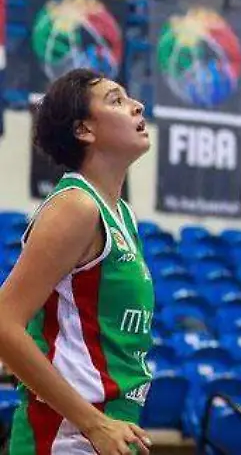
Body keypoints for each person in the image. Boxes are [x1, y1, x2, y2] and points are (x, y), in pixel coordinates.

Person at [0, 69, 155, 455]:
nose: (137, 105)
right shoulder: (76, 205)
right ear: (84, 130)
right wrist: (93, 422)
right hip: (66, 438)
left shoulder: (121, 214)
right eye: (116, 100)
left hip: (109, 429)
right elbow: (3, 324)